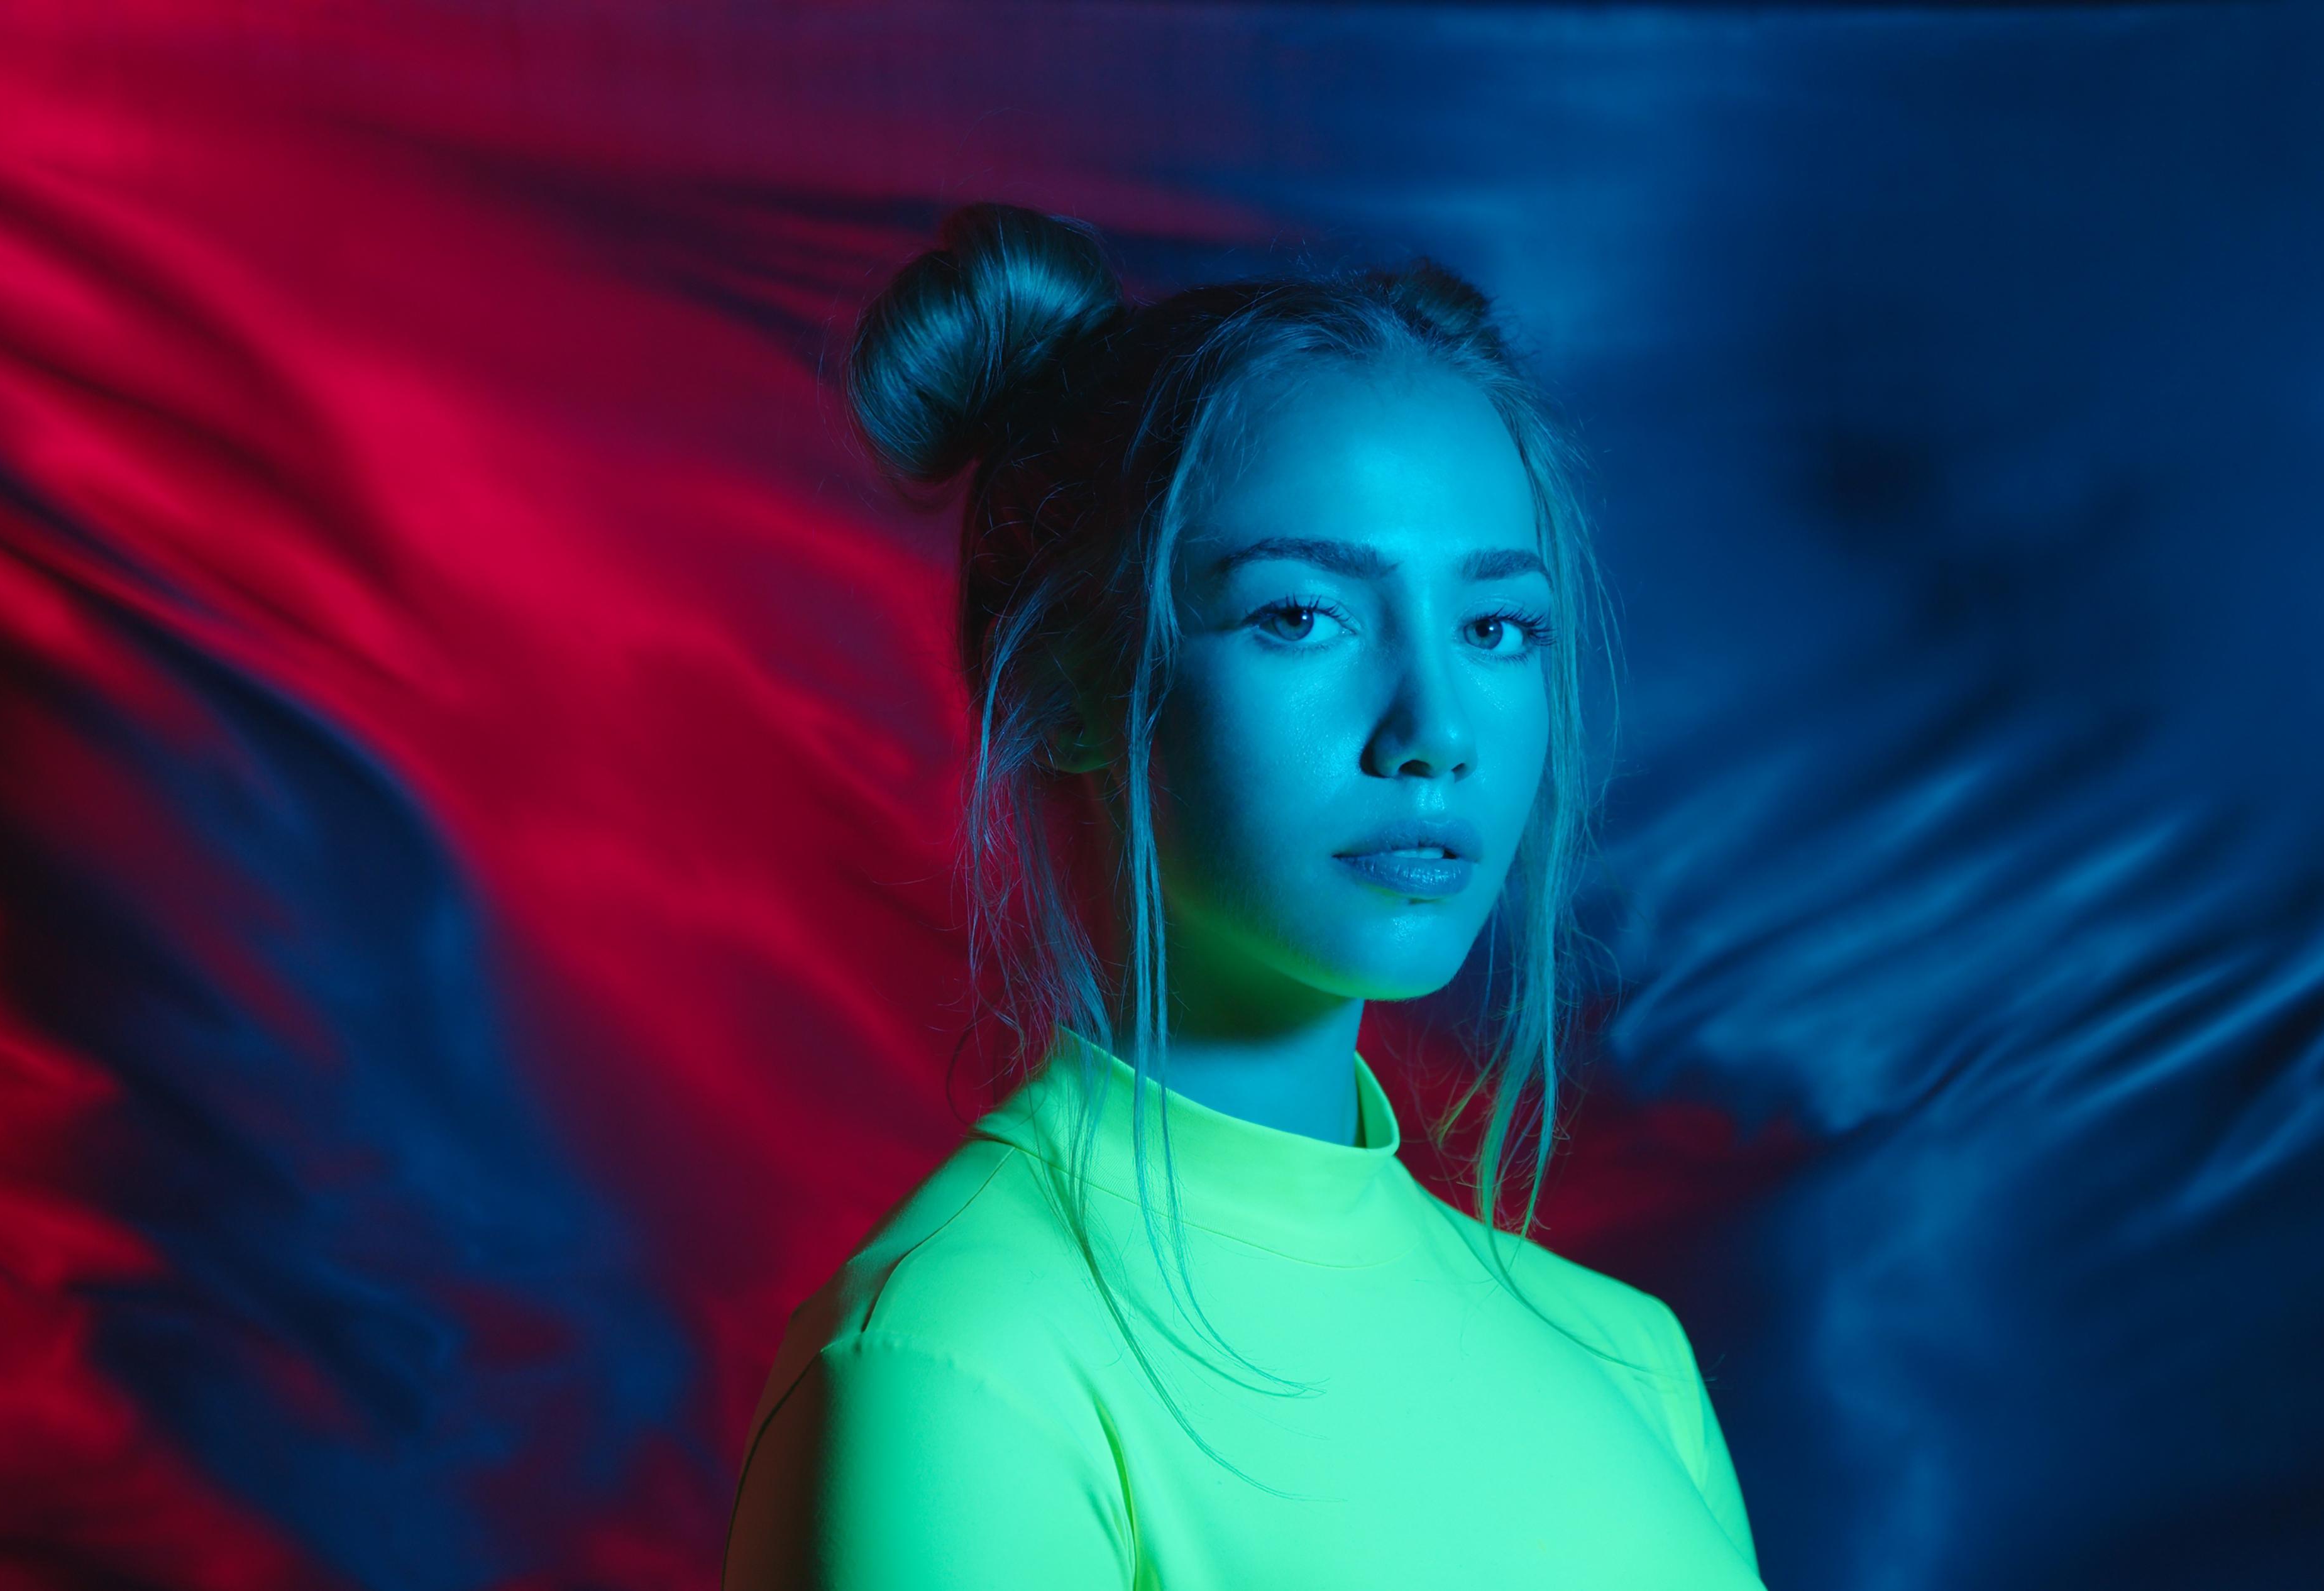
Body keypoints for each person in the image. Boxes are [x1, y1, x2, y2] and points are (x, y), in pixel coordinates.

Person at [722, 201, 1764, 1590]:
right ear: (1067, 682)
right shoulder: (956, 1370)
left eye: (1498, 626)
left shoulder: (1630, 1364)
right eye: (1300, 615)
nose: (1434, 728)